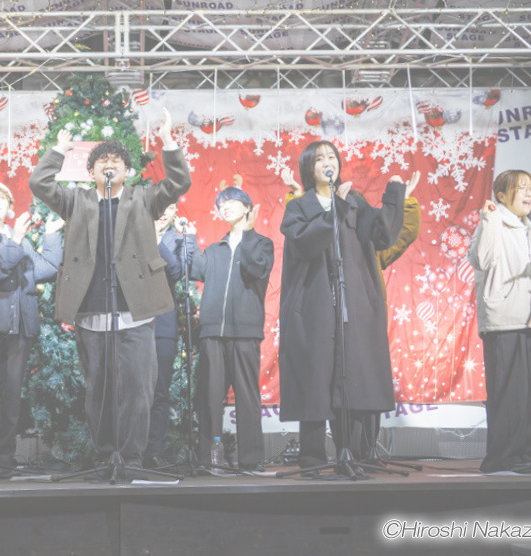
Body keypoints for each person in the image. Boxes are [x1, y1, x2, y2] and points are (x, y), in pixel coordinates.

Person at [28, 109, 191, 469]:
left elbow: (179, 182)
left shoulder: (143, 199)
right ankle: (105, 457)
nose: (109, 164)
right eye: (102, 160)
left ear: (127, 171)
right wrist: (58, 151)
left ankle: (131, 459)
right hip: (91, 311)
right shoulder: (77, 201)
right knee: (97, 393)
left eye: (116, 160)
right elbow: (40, 184)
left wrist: (167, 140)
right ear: (91, 172)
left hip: (135, 311)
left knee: (137, 393)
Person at [278, 140, 405, 470]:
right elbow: (305, 243)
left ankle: (354, 454)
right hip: (313, 309)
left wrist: (394, 195)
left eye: (331, 157)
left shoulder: (354, 201)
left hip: (352, 307)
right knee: (314, 381)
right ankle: (312, 460)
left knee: (353, 377)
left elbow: (383, 236)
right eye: (319, 158)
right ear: (309, 168)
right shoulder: (299, 206)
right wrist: (334, 209)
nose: (327, 162)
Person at [0, 181, 63, 473]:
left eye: (3, 198)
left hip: (19, 325)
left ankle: (4, 455)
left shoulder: (21, 239)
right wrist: (15, 240)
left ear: (9, 208)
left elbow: (45, 269)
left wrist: (51, 236)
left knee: (12, 393)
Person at [186, 187, 274, 472]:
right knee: (210, 399)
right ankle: (210, 459)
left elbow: (254, 270)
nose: (225, 207)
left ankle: (251, 460)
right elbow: (195, 270)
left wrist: (246, 235)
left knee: (247, 398)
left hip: (245, 333)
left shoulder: (262, 244)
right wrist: (189, 238)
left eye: (232, 202)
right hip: (212, 333)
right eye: (221, 205)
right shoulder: (214, 249)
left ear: (247, 207)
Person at [468, 170, 531, 473]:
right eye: (522, 188)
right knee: (507, 393)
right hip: (505, 320)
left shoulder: (525, 226)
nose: (528, 193)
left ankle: (522, 454)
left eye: (530, 188)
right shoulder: (493, 220)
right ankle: (503, 458)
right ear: (502, 195)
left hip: (526, 320)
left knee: (524, 395)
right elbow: (480, 259)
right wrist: (488, 220)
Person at [144, 203, 189, 468]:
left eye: (170, 207)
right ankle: (130, 450)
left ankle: (154, 451)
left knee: (159, 391)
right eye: (160, 205)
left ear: (175, 213)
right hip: (132, 322)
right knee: (132, 391)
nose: (163, 212)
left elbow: (175, 271)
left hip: (163, 325)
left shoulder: (179, 240)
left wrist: (156, 240)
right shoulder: (133, 235)